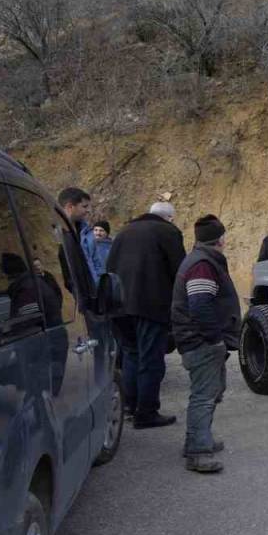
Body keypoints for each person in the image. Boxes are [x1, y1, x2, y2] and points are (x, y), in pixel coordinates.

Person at [106, 201, 186, 429]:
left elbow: (109, 267)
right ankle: (147, 412)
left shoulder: (124, 232)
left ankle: (130, 407)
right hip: (150, 305)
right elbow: (179, 270)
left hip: (120, 306)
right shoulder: (168, 231)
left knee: (131, 355)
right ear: (169, 218)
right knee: (151, 360)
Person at [170, 215, 240, 474]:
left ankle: (198, 441)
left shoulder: (201, 260)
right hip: (201, 342)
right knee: (204, 396)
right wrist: (215, 338)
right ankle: (199, 452)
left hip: (198, 339)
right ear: (220, 238)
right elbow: (200, 304)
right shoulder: (202, 264)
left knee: (210, 392)